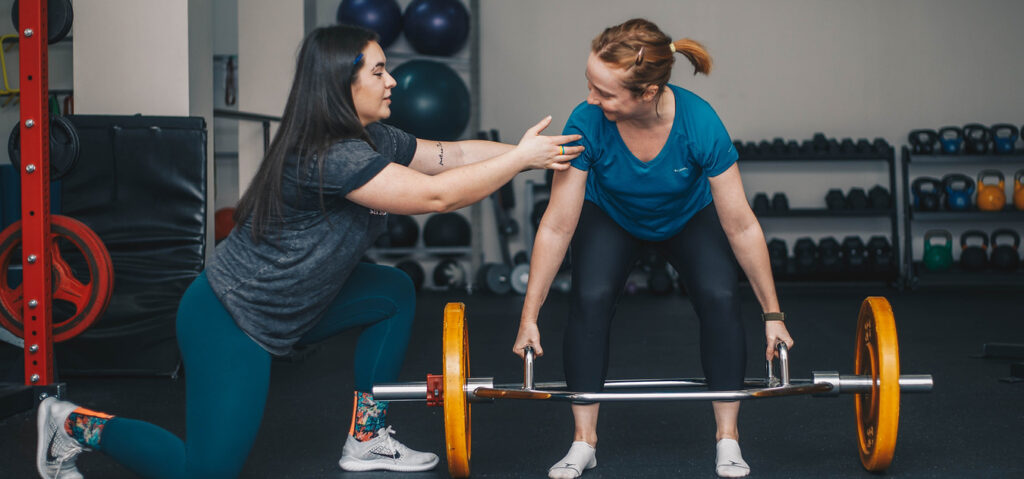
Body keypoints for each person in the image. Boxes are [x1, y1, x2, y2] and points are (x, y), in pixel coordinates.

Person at [35, 24, 582, 479]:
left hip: (299, 306)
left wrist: (533, 153)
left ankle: (368, 436)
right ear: (341, 84)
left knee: (392, 291)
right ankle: (72, 425)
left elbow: (452, 153)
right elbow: (436, 196)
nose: (393, 80)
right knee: (203, 472)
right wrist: (519, 162)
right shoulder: (329, 154)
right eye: (378, 71)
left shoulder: (377, 137)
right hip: (231, 320)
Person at [511, 19, 794, 479]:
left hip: (688, 216)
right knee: (589, 298)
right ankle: (584, 441)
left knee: (721, 298)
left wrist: (773, 316)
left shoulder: (700, 124)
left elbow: (741, 225)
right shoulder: (586, 123)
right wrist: (529, 316)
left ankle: (728, 438)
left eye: (604, 93)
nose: (590, 100)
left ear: (647, 93)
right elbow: (558, 225)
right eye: (590, 85)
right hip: (612, 216)